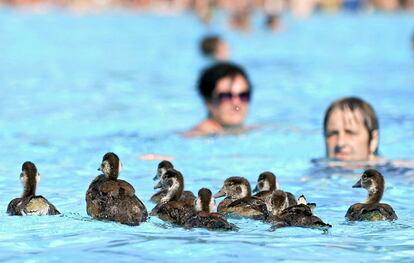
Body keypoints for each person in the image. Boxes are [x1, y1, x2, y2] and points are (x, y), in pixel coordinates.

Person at [185, 62, 252, 137]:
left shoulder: (252, 131)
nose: (236, 103)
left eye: (243, 95)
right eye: (226, 96)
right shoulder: (197, 137)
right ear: (208, 102)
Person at [323, 97, 379, 162]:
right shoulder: (317, 169)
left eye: (350, 132)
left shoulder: (390, 170)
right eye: (333, 133)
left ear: (373, 140)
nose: (340, 143)